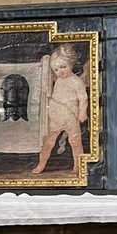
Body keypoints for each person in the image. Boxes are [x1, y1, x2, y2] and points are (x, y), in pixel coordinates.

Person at [32, 44, 87, 175]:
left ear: (71, 63)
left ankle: (78, 166)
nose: (60, 72)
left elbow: (83, 98)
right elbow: (46, 75)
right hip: (55, 116)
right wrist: (44, 63)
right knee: (48, 142)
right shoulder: (57, 79)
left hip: (70, 117)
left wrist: (82, 112)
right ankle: (41, 165)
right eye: (56, 69)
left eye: (63, 67)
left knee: (75, 141)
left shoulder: (77, 81)